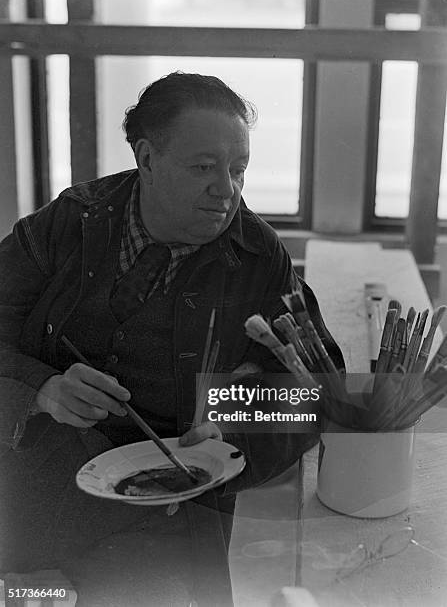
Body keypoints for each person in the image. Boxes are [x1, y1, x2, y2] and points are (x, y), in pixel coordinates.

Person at [0, 72, 344, 606]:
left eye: (238, 169)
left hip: (171, 506)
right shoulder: (72, 222)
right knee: (36, 597)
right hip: (34, 495)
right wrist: (42, 388)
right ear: (147, 158)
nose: (226, 190)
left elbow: (316, 390)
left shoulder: (256, 257)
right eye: (203, 168)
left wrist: (234, 422)